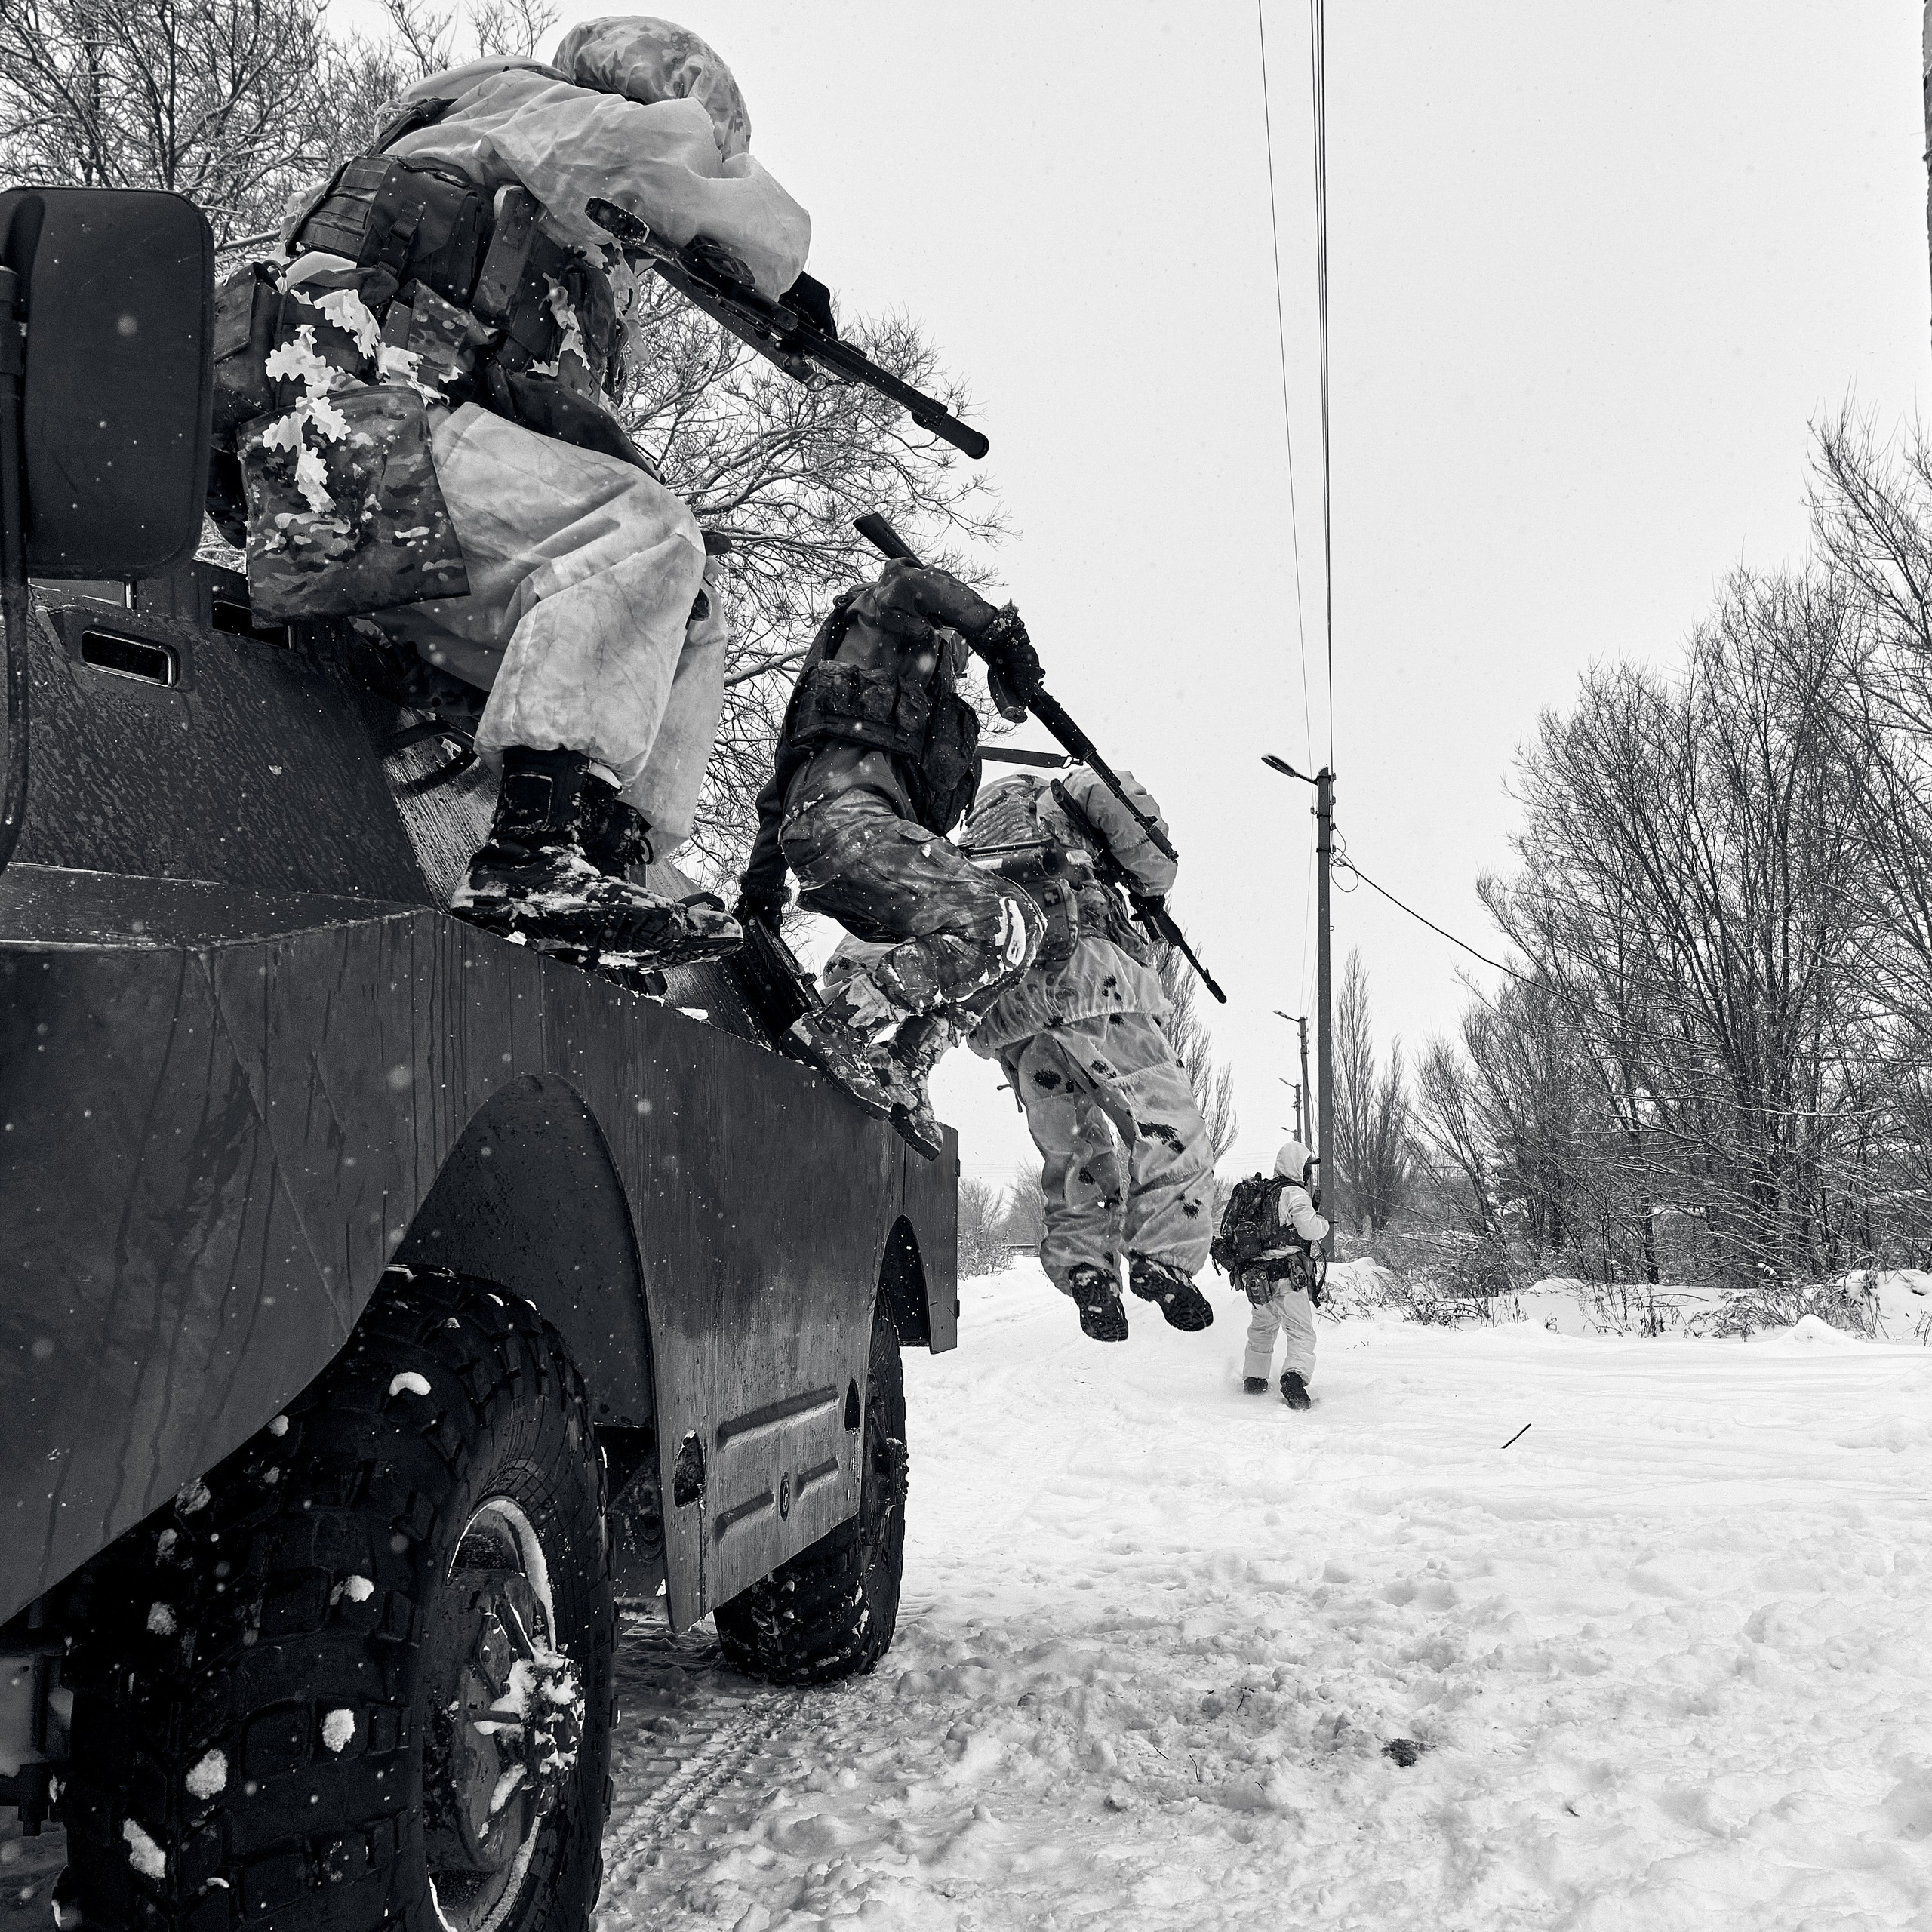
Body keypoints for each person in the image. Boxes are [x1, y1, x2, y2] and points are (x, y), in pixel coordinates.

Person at [214, 17, 813, 962]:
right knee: (644, 531)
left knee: (692, 601)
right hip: (342, 453)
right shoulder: (531, 110)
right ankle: (526, 858)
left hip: (399, 497)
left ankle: (597, 855)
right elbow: (705, 194)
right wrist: (772, 273)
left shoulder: (544, 230)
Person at [735, 560, 1048, 1131]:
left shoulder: (911, 701)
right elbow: (912, 585)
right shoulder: (879, 624)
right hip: (843, 824)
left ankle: (906, 1062)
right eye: (956, 648)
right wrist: (995, 631)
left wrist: (760, 890)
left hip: (843, 843)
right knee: (1001, 920)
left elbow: (777, 791)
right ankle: (842, 1022)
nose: (959, 661)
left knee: (1022, 926)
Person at [959, 768, 1217, 1343]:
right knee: (1169, 1126)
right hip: (1090, 987)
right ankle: (1164, 1257)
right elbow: (1151, 852)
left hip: (1011, 1014)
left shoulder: (970, 855)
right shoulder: (1065, 793)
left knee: (1075, 1150)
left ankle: (1086, 1268)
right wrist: (1148, 888)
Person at [1228, 1139, 1330, 1409]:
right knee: (1301, 1333)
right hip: (1287, 1275)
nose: (1309, 1173)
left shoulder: (1262, 1194)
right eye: (1308, 1166)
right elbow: (1309, 1230)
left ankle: (1255, 1380)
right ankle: (1294, 1379)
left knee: (1262, 1329)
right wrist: (1323, 1224)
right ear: (1299, 1167)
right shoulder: (1294, 1194)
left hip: (1258, 1277)